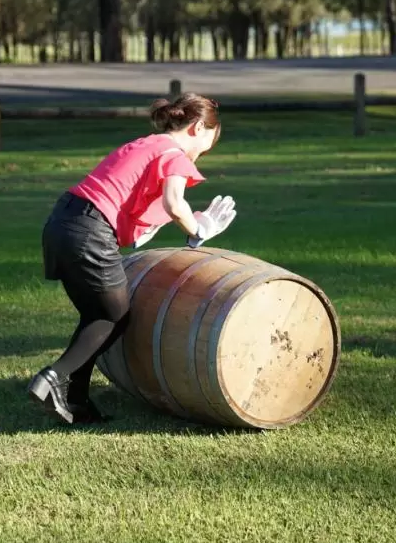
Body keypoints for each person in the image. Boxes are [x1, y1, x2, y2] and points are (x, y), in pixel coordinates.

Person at [27, 92, 238, 425]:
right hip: (89, 230)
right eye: (210, 141)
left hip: (62, 222)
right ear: (198, 127)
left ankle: (77, 400)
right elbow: (173, 203)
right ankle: (52, 378)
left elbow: (132, 212)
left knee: (97, 315)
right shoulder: (175, 154)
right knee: (114, 315)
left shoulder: (146, 144)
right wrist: (199, 228)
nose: (204, 152)